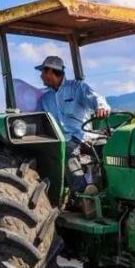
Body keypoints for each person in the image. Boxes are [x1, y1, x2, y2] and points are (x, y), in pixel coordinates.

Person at [35, 55, 109, 194]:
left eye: (42, 72)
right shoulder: (45, 99)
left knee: (111, 146)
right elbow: (37, 117)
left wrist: (101, 107)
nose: (41, 76)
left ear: (50, 71)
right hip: (62, 140)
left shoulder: (77, 88)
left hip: (82, 136)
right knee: (66, 149)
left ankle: (106, 188)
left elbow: (96, 98)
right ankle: (83, 194)